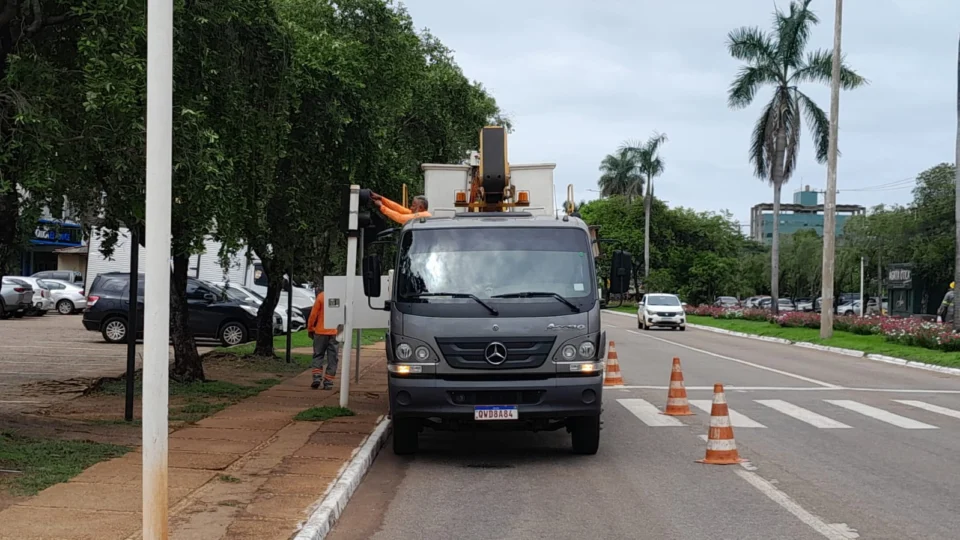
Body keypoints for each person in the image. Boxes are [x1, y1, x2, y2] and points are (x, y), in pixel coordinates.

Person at [306, 289, 339, 390]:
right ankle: (328, 381)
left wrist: (311, 328)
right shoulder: (339, 297)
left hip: (320, 331)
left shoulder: (321, 296)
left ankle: (317, 378)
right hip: (334, 332)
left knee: (318, 355)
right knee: (333, 357)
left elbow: (313, 314)